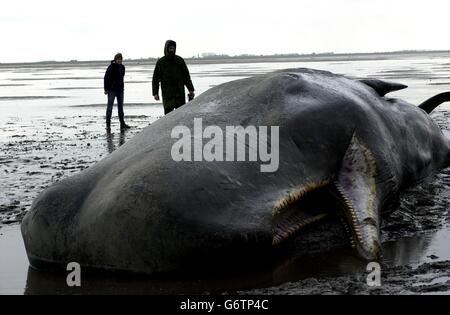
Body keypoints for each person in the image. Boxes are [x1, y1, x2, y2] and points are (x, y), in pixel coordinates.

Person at [152, 40, 195, 115]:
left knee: (181, 115)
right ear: (166, 49)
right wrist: (155, 93)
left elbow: (186, 76)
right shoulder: (161, 62)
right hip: (167, 94)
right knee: (168, 116)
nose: (172, 50)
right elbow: (155, 78)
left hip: (179, 93)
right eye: (170, 48)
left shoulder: (179, 60)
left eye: (173, 48)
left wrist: (190, 89)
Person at [104, 53, 130, 129]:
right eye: (118, 59)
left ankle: (122, 124)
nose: (119, 60)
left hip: (120, 90)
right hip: (111, 90)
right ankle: (108, 125)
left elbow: (122, 78)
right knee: (109, 107)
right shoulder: (111, 67)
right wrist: (106, 89)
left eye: (120, 59)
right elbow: (106, 78)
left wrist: (122, 87)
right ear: (115, 59)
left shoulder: (122, 67)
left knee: (120, 107)